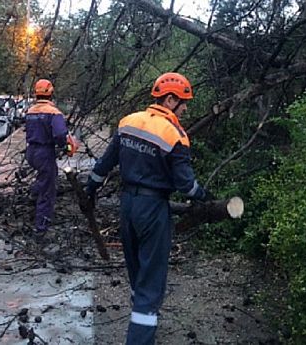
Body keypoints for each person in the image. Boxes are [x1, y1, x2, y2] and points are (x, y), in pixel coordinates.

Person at [85, 72, 213, 344]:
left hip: (127, 205)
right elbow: (185, 185)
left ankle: (141, 312)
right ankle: (141, 331)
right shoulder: (175, 134)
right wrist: (204, 196)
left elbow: (105, 164)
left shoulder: (128, 122)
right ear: (169, 100)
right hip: (153, 209)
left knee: (137, 268)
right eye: (183, 103)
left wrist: (90, 188)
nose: (186, 109)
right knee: (152, 279)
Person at [25, 78, 71, 243]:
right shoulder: (54, 113)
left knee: (42, 180)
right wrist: (65, 146)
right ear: (51, 93)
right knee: (48, 191)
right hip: (45, 153)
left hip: (31, 152)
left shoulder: (30, 112)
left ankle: (33, 192)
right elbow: (60, 135)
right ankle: (41, 229)